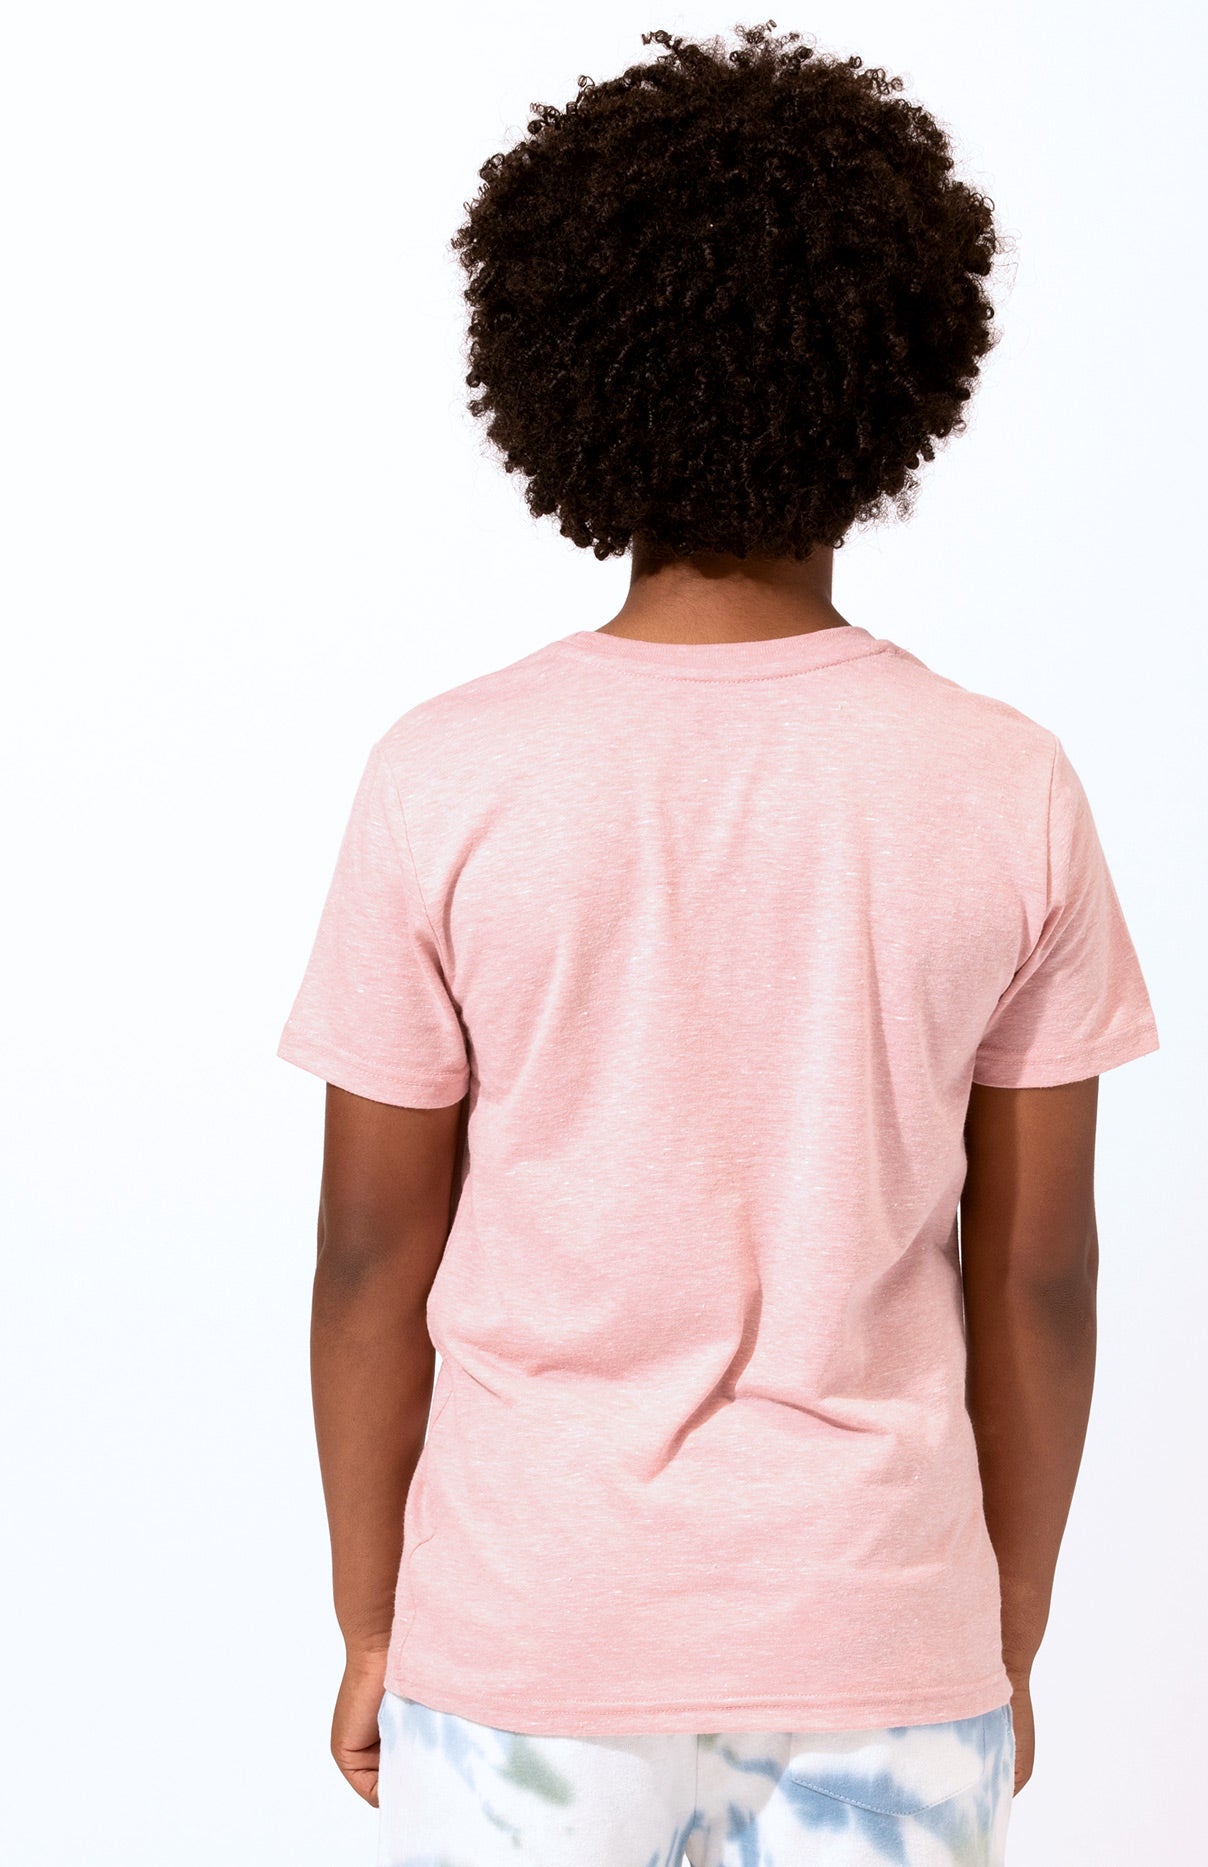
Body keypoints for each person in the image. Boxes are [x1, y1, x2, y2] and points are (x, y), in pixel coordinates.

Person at [276, 22, 1160, 1866]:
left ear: (562, 367)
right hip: (881, 1637)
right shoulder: (1002, 785)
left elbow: (369, 1254)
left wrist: (372, 1619)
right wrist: (1005, 1629)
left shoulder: (449, 775)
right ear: (897, 369)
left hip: (522, 1639)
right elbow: (1043, 1277)